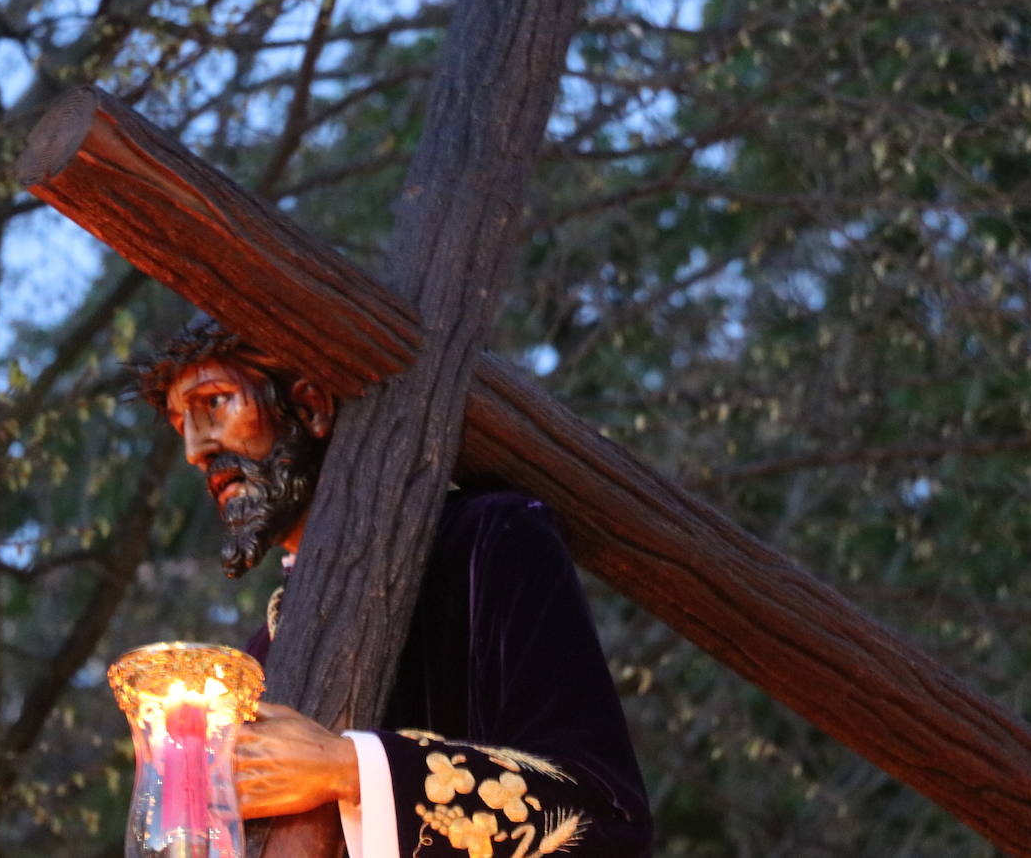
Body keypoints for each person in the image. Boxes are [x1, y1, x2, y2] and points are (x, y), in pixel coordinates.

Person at [135, 316, 653, 857]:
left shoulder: (486, 540)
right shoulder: (254, 662)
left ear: (310, 407)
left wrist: (350, 770)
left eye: (215, 403)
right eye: (181, 425)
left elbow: (605, 817)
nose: (196, 448)